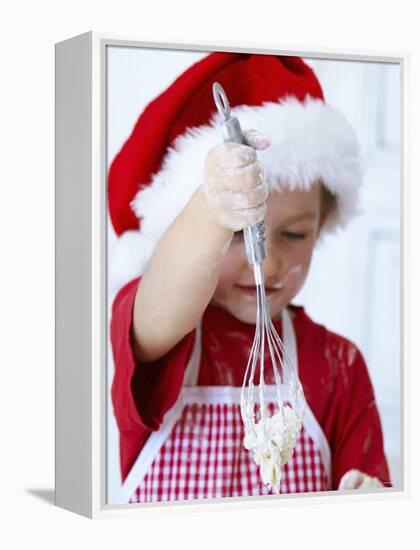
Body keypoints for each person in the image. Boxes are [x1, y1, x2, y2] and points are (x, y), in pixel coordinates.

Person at [108, 52, 391, 503]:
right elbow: (163, 300)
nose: (269, 262)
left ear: (324, 223)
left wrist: (369, 501)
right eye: (238, 233)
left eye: (295, 234)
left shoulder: (340, 366)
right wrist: (210, 210)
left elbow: (373, 500)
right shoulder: (163, 334)